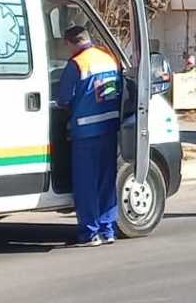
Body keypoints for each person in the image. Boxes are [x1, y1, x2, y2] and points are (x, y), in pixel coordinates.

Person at [57, 26, 122, 247]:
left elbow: (63, 99)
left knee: (86, 185)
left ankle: (90, 233)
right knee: (106, 182)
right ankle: (108, 229)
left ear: (71, 43)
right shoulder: (108, 59)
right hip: (108, 129)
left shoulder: (77, 64)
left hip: (85, 133)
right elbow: (115, 92)